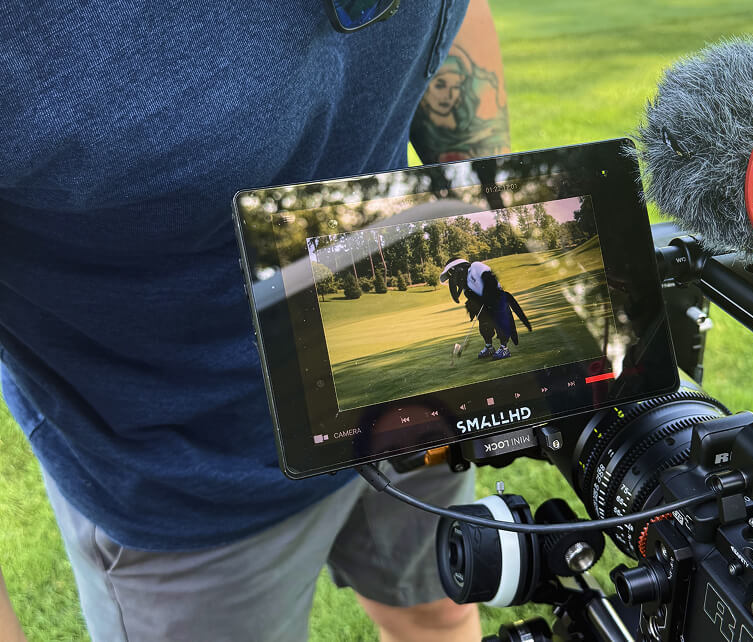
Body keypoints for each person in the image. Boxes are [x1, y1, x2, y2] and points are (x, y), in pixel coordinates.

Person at [0, 0, 510, 640]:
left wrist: (475, 215)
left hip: (406, 376)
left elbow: (457, 17)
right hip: (194, 471)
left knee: (440, 612)